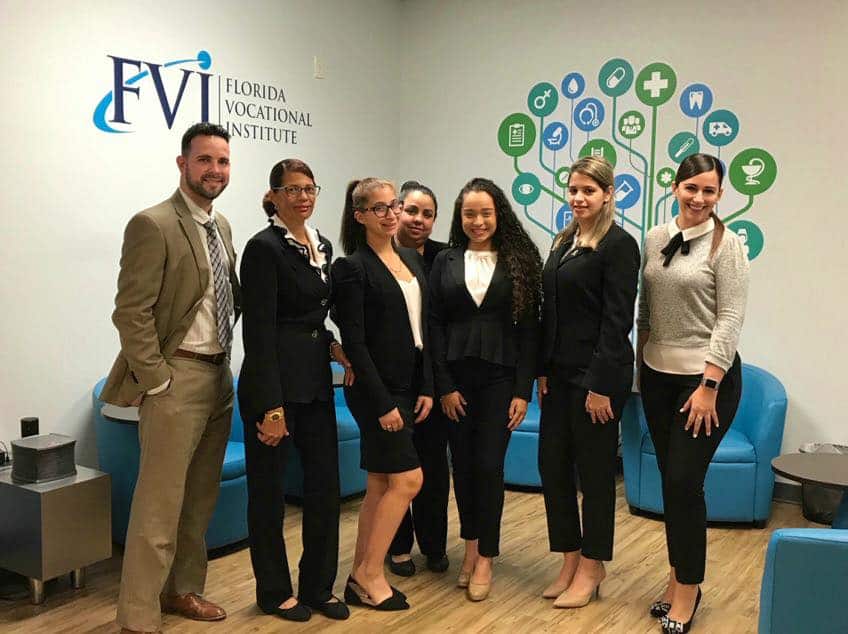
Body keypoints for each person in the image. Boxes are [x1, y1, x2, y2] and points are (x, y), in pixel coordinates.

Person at [101, 122, 240, 634]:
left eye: (223, 161)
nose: (215, 170)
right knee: (158, 505)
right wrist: (157, 379)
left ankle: (182, 590)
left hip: (219, 374)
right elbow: (130, 311)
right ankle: (137, 616)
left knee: (200, 498)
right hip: (175, 377)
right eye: (205, 160)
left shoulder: (220, 225)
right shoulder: (152, 223)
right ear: (182, 163)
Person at [237, 159, 354, 622]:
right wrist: (270, 406)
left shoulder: (321, 245)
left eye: (309, 189)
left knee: (325, 489)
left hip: (315, 388)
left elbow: (309, 320)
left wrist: (333, 347)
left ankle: (318, 586)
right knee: (268, 496)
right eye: (292, 190)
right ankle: (273, 591)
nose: (303, 197)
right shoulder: (263, 248)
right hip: (274, 391)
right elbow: (260, 331)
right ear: (274, 196)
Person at [637, 153, 749, 633]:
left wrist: (708, 386)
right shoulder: (655, 238)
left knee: (685, 482)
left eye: (709, 190)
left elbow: (729, 318)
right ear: (675, 187)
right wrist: (639, 373)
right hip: (658, 378)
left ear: (720, 194)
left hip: (706, 384)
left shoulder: (729, 245)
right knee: (670, 483)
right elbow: (646, 307)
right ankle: (677, 576)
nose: (699, 198)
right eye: (691, 188)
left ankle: (688, 591)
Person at [429, 177, 541, 601]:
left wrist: (522, 391)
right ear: (460, 218)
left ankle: (487, 557)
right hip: (455, 380)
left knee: (490, 467)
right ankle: (471, 548)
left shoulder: (518, 260)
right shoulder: (445, 260)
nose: (478, 221)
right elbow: (434, 326)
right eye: (469, 214)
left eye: (486, 213)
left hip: (500, 380)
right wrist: (443, 385)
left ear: (500, 215)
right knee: (463, 465)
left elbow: (531, 330)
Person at [536, 156, 640, 608]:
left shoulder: (619, 245)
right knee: (552, 468)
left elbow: (617, 321)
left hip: (596, 379)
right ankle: (570, 557)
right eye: (574, 189)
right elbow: (551, 311)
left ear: (608, 194)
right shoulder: (565, 240)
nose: (579, 198)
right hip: (558, 377)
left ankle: (593, 566)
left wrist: (600, 384)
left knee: (595, 477)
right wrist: (541, 367)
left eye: (589, 191)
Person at [331, 178, 434, 611]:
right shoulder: (351, 267)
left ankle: (360, 574)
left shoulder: (410, 258)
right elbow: (353, 343)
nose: (391, 214)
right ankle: (370, 573)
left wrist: (427, 386)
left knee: (379, 484)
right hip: (377, 389)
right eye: (379, 208)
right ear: (360, 217)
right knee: (410, 480)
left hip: (410, 383)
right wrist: (383, 403)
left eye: (394, 205)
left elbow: (423, 329)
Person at [388, 180, 450, 577]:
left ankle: (434, 545)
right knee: (396, 469)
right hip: (394, 381)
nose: (419, 220)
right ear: (396, 211)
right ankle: (397, 547)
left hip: (435, 380)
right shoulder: (379, 254)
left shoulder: (446, 258)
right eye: (412, 211)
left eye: (427, 214)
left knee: (433, 468)